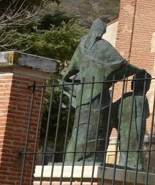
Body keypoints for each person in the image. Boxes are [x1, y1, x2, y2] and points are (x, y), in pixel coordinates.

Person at [60, 19, 146, 164]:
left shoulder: (81, 45)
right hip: (100, 94)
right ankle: (87, 158)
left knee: (82, 127)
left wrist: (70, 85)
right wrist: (138, 70)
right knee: (95, 127)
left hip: (83, 95)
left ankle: (76, 158)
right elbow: (121, 64)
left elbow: (69, 72)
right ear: (101, 30)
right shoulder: (103, 47)